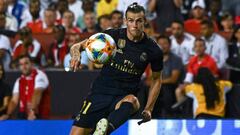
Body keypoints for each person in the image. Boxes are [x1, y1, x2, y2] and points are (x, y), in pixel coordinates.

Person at [69, 3, 163, 135]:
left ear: (144, 22)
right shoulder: (111, 36)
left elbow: (157, 79)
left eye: (139, 21)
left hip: (123, 96)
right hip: (100, 93)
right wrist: (76, 54)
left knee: (133, 101)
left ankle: (104, 131)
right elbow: (78, 46)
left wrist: (149, 108)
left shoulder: (153, 50)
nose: (134, 25)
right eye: (131, 20)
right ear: (125, 21)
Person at [0, 55, 49, 120]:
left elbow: (37, 93)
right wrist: (7, 114)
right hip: (23, 115)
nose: (24, 67)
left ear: (31, 64)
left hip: (39, 116)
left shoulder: (40, 75)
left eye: (26, 63)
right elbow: (14, 101)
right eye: (21, 64)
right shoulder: (19, 80)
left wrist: (32, 111)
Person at [152, 35, 183, 118]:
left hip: (172, 86)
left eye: (165, 43)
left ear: (170, 45)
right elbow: (150, 77)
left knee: (165, 88)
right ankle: (144, 114)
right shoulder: (153, 59)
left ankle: (168, 115)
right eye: (160, 44)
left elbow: (173, 79)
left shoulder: (176, 59)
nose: (162, 46)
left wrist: (158, 82)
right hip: (157, 85)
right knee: (143, 87)